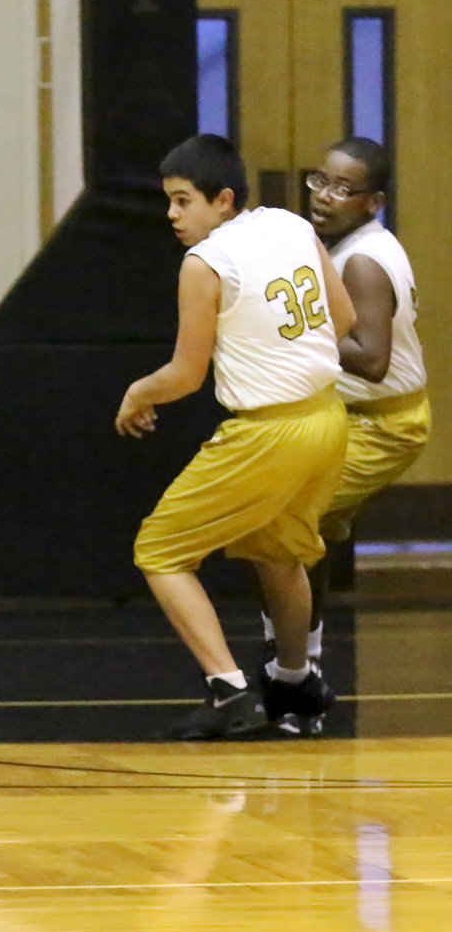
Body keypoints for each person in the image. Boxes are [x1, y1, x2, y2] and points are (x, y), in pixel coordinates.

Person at [115, 134, 356, 740]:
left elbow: (185, 375)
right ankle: (296, 680)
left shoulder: (205, 262)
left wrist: (137, 393)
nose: (171, 214)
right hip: (327, 421)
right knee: (279, 554)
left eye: (182, 200)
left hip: (269, 433)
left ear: (222, 200)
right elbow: (344, 318)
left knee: (160, 550)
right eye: (168, 201)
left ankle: (228, 691)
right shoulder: (290, 225)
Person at [261, 137, 429, 731]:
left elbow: (373, 359)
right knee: (313, 534)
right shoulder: (347, 246)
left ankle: (291, 677)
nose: (325, 197)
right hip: (348, 416)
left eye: (343, 189)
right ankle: (302, 665)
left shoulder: (361, 260)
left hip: (383, 423)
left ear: (373, 201)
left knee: (280, 528)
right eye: (320, 182)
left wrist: (302, 323)